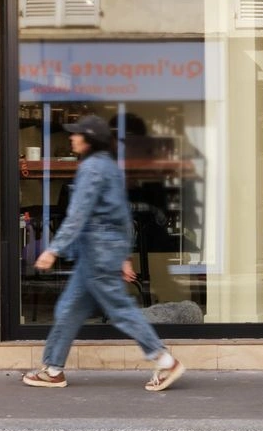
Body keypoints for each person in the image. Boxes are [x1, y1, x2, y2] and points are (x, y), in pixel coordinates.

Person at [22, 114, 185, 392]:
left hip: (97, 251)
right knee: (68, 309)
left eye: (76, 134)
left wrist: (53, 249)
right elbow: (122, 214)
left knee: (120, 310)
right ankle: (53, 369)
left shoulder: (92, 169)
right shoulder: (108, 166)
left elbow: (78, 215)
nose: (71, 137)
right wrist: (123, 255)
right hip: (99, 250)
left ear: (88, 139)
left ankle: (165, 360)